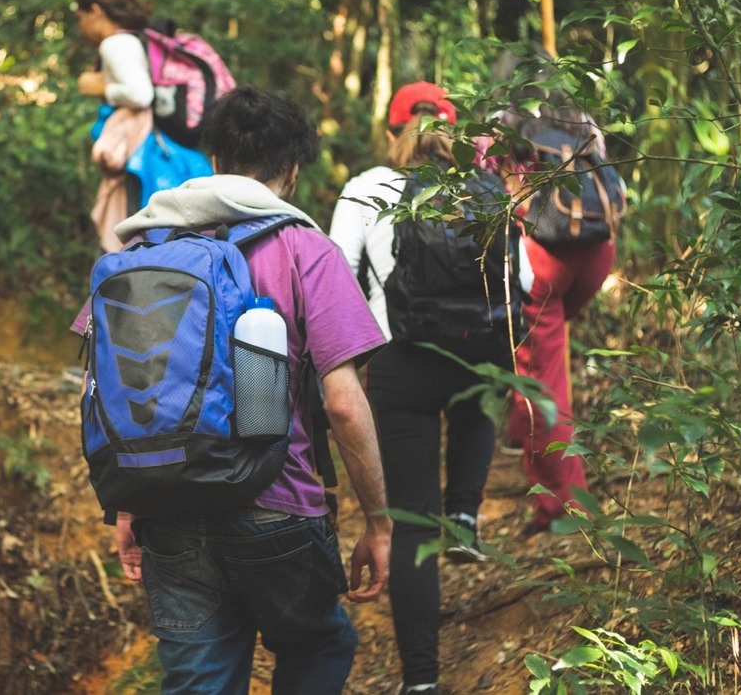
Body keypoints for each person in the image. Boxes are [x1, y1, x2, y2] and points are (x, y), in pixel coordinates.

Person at [77, 86, 391, 694]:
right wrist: (379, 523)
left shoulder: (141, 249)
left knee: (199, 682)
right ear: (293, 170)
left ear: (214, 160)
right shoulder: (307, 250)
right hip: (280, 506)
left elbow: (110, 386)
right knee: (321, 645)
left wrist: (128, 503)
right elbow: (344, 405)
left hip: (165, 504)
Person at [329, 82, 522, 695]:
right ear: (455, 131)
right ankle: (465, 510)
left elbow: (340, 279)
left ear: (393, 131)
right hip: (480, 350)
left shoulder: (367, 188)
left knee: (410, 524)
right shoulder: (489, 189)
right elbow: (520, 280)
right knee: (475, 396)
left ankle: (421, 681)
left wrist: (353, 359)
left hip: (402, 362)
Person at [478, 96, 616, 536]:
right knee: (538, 366)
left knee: (543, 380)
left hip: (544, 257)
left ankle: (565, 507)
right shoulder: (582, 120)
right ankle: (528, 440)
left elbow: (484, 184)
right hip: (596, 252)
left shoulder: (503, 125)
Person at [72, 0, 211, 252]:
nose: (81, 26)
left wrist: (100, 86)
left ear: (96, 11)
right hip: (151, 148)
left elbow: (140, 95)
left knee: (135, 240)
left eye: (81, 17)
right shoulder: (136, 40)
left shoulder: (116, 44)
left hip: (140, 152)